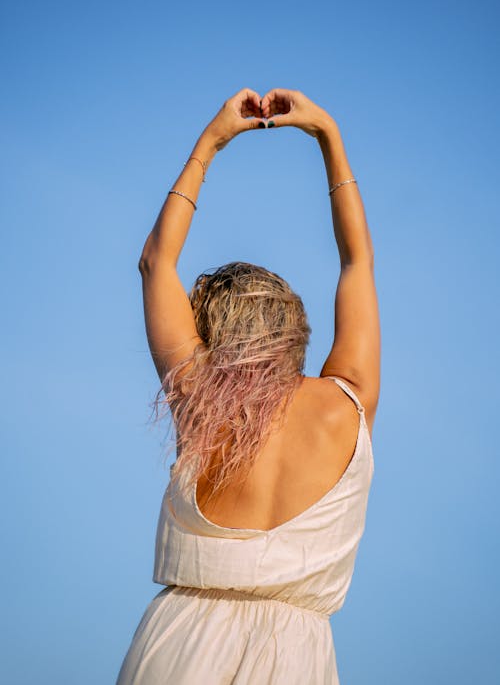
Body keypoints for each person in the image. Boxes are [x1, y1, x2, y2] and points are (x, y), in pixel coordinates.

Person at [116, 87, 381, 684]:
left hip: (181, 640)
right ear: (296, 327)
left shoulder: (198, 399)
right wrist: (328, 136)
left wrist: (211, 141)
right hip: (298, 654)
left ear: (212, 336)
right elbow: (356, 262)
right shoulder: (348, 401)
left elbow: (157, 262)